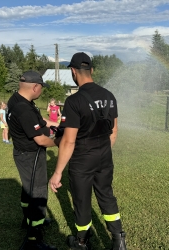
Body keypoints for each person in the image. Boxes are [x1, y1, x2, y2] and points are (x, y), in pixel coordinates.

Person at [49, 52, 127, 250]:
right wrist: (103, 153)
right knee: (106, 195)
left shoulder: (74, 101)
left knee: (82, 201)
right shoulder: (110, 96)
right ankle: (119, 239)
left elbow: (68, 141)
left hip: (83, 157)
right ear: (91, 70)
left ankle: (82, 242)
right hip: (104, 153)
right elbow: (114, 130)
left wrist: (57, 174)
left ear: (74, 72)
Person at [7, 71, 59, 250]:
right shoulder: (24, 109)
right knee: (38, 193)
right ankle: (33, 240)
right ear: (35, 87)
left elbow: (38, 120)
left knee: (28, 189)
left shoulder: (17, 100)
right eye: (42, 88)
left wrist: (54, 125)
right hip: (32, 156)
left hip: (22, 153)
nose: (42, 91)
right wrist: (60, 141)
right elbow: (41, 140)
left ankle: (26, 219)